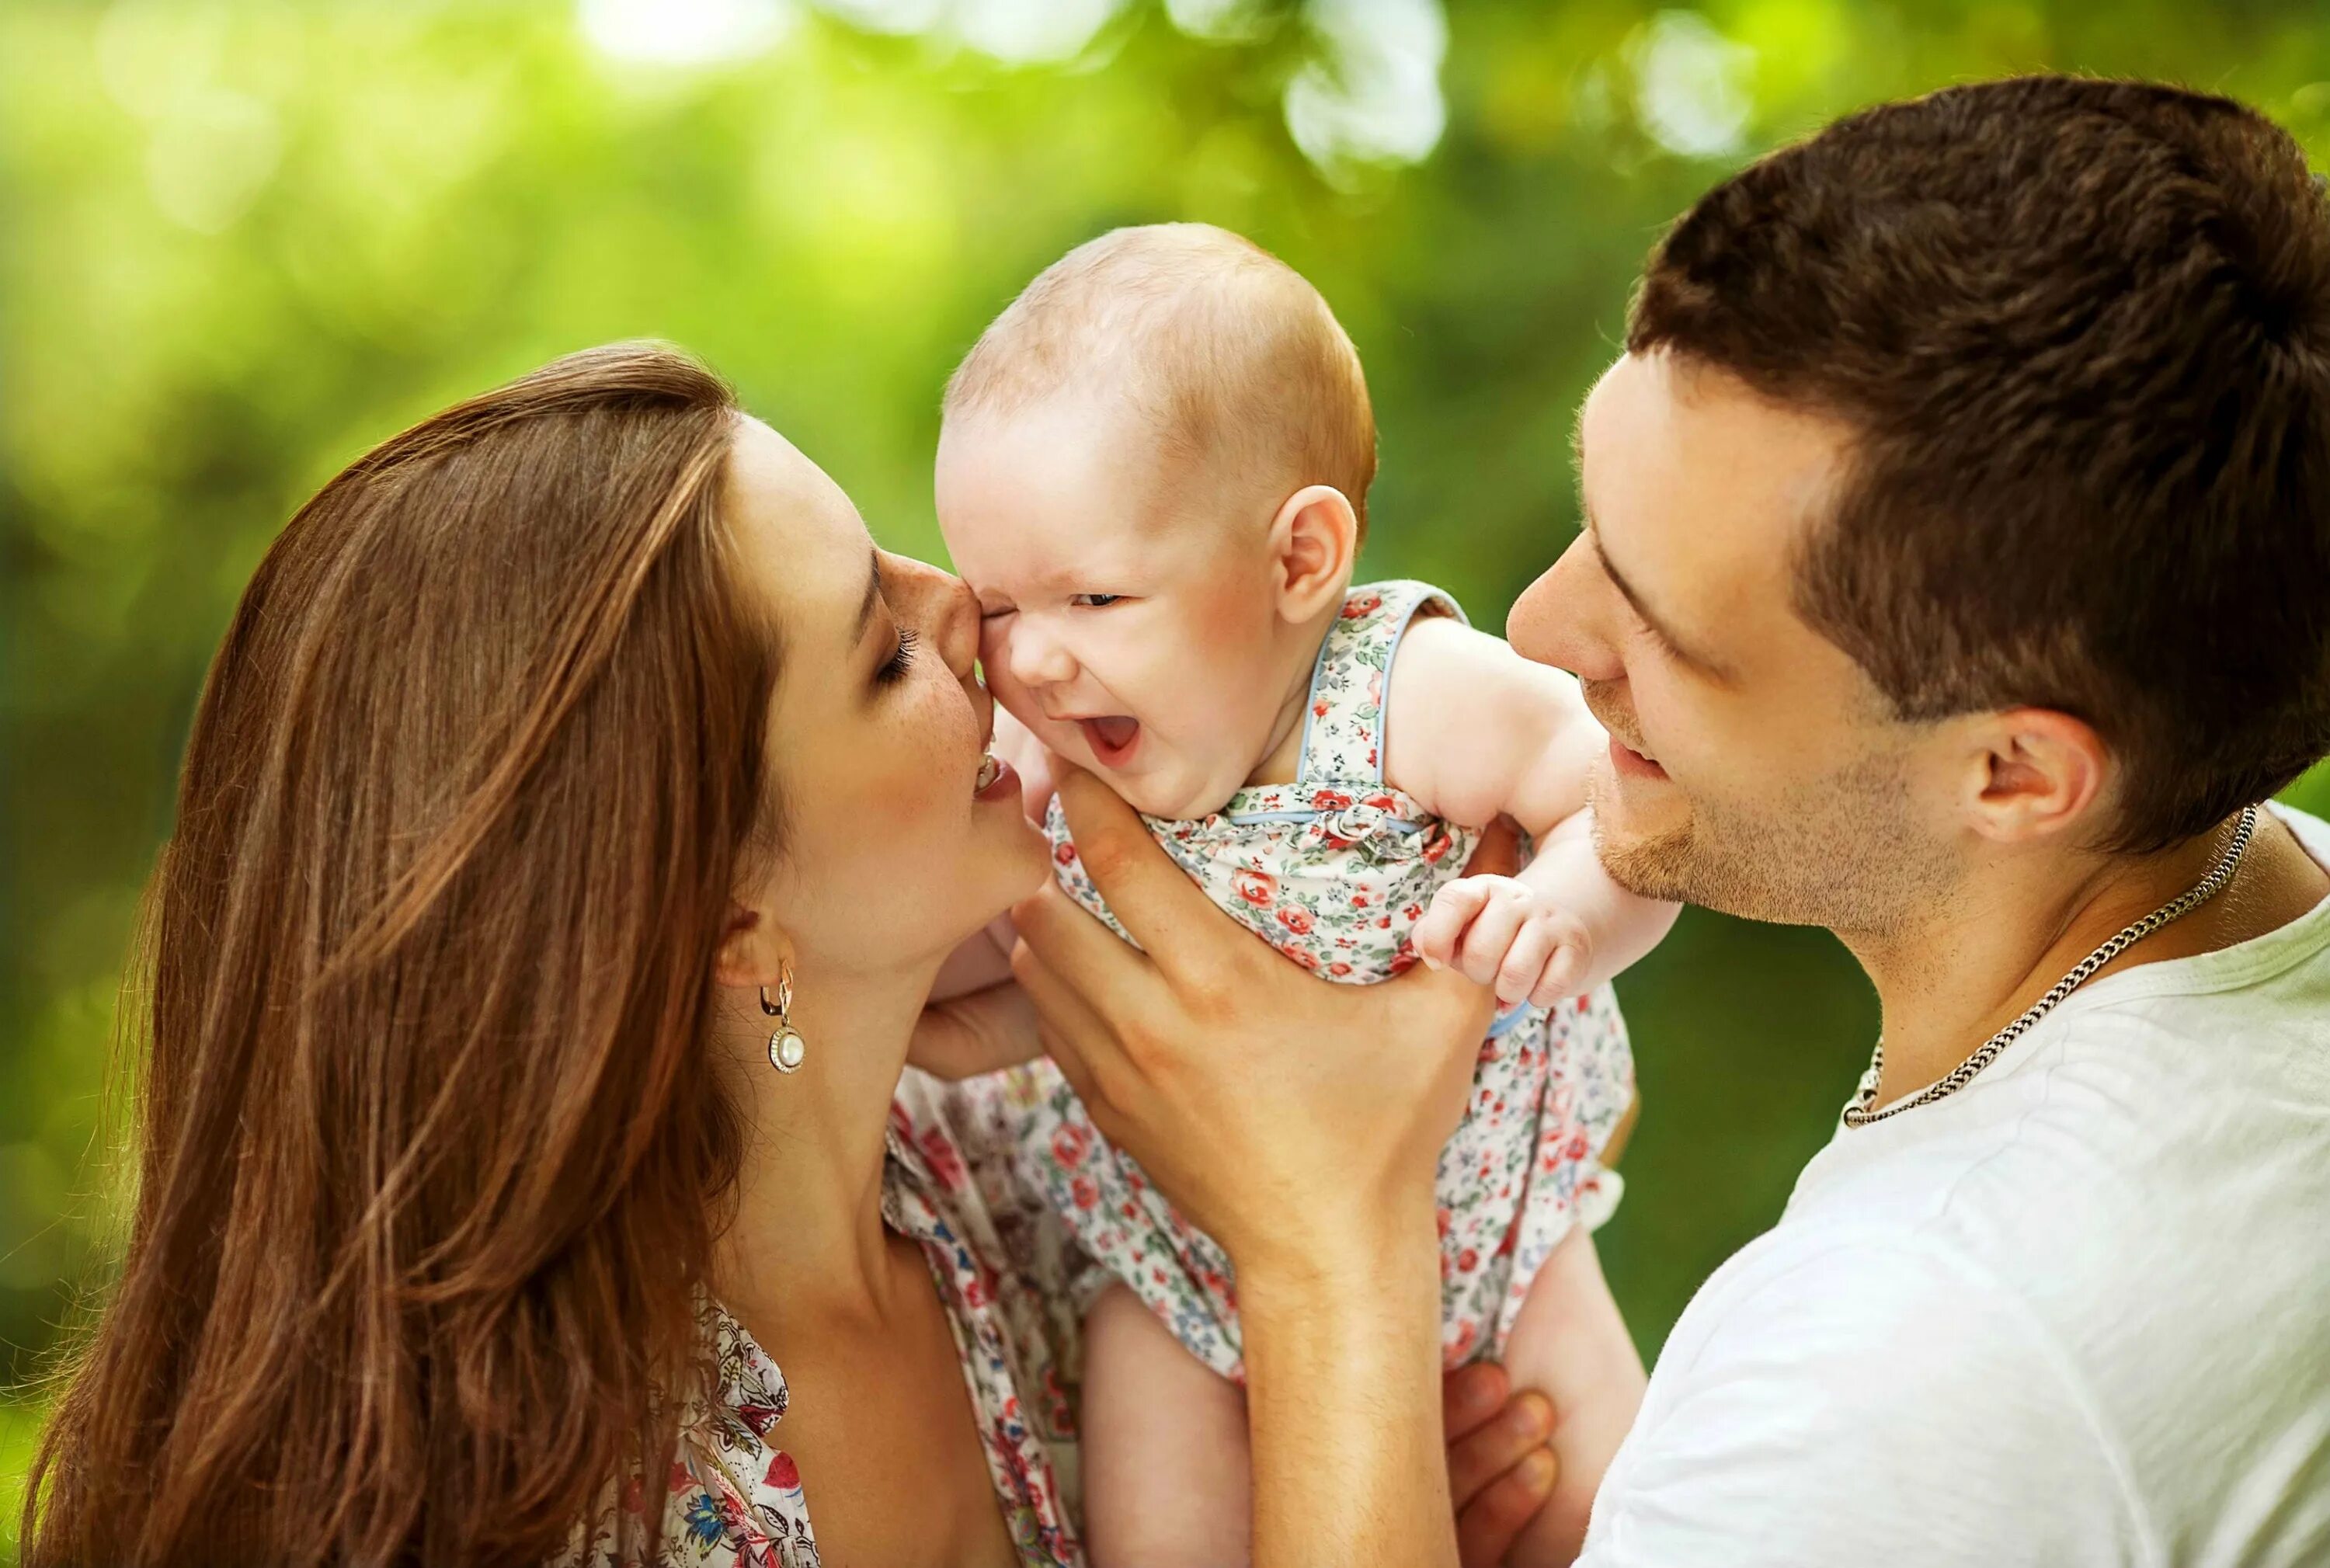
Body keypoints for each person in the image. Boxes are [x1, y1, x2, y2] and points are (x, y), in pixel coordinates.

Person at [1010, 76, 2330, 1565]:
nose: (1536, 622)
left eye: (1664, 625)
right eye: (1594, 517)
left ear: (2014, 774)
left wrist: (1327, 1254)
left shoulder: (1903, 1376)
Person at [18, 345, 1558, 1567]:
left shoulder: (1034, 1160)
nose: (972, 610)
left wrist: (1358, 1485)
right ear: (726, 922)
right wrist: (1332, 1258)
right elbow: (1338, 1221)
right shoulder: (567, 1518)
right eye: (883, 654)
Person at [923, 221, 1674, 1566]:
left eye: (1094, 595)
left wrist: (1562, 908)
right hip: (1167, 1265)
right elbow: (1040, 973)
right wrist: (934, 1006)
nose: (1032, 659)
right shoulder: (1055, 761)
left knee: (1615, 1521)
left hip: (1495, 1240)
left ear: (1296, 562)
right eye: (994, 606)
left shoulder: (1403, 695)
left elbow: (1623, 803)